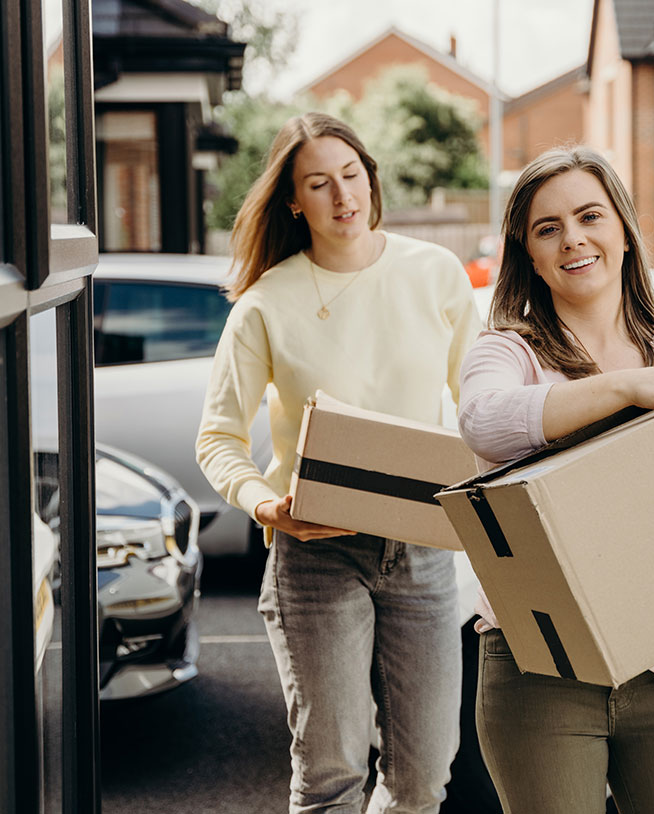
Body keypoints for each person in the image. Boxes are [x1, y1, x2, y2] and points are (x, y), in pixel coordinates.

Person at [195, 112, 482, 814]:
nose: (342, 195)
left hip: (422, 550)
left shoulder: (435, 273)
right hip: (316, 559)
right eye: (319, 184)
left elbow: (479, 406)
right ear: (295, 202)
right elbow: (219, 438)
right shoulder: (265, 305)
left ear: (370, 179)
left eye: (351, 175)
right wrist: (269, 505)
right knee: (331, 777)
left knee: (422, 779)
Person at [456, 145, 654, 814]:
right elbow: (484, 423)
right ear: (526, 252)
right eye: (547, 228)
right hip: (539, 669)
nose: (572, 239)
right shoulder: (507, 351)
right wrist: (625, 388)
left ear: (624, 232)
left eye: (589, 217)